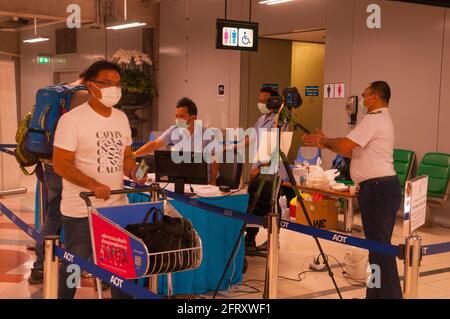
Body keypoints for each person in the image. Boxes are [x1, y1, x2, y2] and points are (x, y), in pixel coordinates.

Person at [53, 60, 145, 299]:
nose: (113, 88)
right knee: (74, 267)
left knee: (121, 269)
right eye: (107, 83)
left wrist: (135, 172)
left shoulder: (121, 118)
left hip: (116, 209)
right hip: (81, 210)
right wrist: (93, 185)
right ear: (91, 86)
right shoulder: (71, 120)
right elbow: (61, 163)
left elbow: (126, 157)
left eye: (117, 84)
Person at [302, 81, 402, 299]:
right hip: (376, 190)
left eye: (365, 95)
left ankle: (391, 296)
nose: (363, 100)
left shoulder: (375, 119)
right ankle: (374, 295)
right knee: (376, 249)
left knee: (381, 250)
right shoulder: (379, 120)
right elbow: (352, 152)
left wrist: (322, 141)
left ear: (375, 97)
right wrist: (326, 141)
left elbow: (344, 145)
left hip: (379, 190)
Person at [28, 71, 90, 285]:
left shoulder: (57, 90)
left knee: (53, 216)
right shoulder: (83, 97)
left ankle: (39, 268)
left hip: (49, 163)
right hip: (71, 168)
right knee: (80, 219)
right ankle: (78, 271)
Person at [245, 88, 295, 252]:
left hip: (271, 171)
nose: (261, 104)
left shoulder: (281, 121)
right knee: (253, 202)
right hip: (257, 169)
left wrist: (260, 167)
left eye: (265, 100)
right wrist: (229, 146)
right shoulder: (261, 119)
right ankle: (250, 239)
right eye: (259, 100)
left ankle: (273, 241)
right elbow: (251, 137)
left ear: (274, 102)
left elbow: (276, 147)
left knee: (270, 205)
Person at [132, 97, 219, 185]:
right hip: (180, 178)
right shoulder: (174, 130)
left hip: (202, 182)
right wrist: (134, 154)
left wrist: (213, 181)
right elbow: (154, 144)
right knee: (148, 161)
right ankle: (138, 177)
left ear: (193, 118)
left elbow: (214, 160)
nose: (178, 120)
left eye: (181, 116)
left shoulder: (207, 135)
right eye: (176, 116)